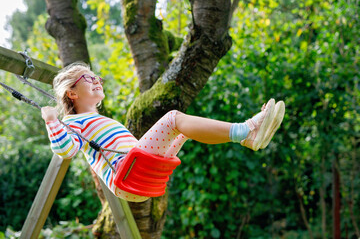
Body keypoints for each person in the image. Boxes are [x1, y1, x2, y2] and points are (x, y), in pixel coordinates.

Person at [41, 62, 285, 202]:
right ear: (72, 93)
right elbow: (66, 150)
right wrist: (51, 120)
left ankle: (248, 138)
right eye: (88, 78)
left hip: (142, 175)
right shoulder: (73, 123)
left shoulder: (96, 119)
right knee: (173, 119)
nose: (96, 81)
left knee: (183, 131)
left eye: (98, 78)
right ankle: (246, 129)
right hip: (129, 175)